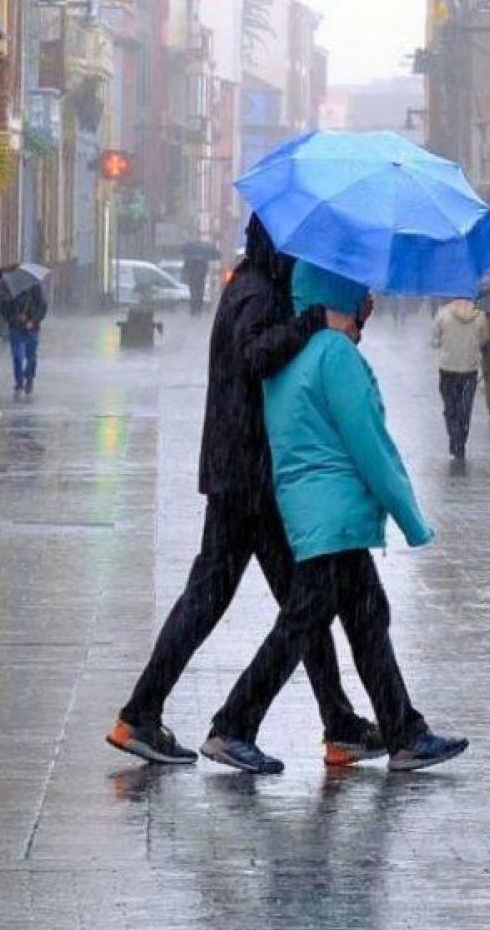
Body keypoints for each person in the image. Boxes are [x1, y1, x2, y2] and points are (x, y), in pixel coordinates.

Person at [108, 217, 382, 767]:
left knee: (279, 603)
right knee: (297, 604)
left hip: (244, 472)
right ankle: (261, 725)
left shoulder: (259, 286)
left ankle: (333, 722)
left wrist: (343, 322)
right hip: (250, 477)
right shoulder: (256, 292)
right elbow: (257, 357)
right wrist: (312, 322)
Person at [202, 261, 469, 775]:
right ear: (340, 297)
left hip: (311, 511)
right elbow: (371, 446)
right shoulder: (334, 356)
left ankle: (404, 732)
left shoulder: (296, 353)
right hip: (336, 517)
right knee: (301, 624)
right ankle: (233, 724)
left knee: (370, 620)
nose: (368, 304)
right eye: (361, 296)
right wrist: (412, 520)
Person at [431, 297, 487, 460]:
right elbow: (483, 339)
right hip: (470, 368)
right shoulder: (480, 316)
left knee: (450, 407)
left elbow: (435, 339)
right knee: (465, 407)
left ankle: (454, 436)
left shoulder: (443, 314)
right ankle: (461, 441)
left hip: (448, 367)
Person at [0, 282, 47, 400]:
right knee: (17, 357)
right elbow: (3, 307)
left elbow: (42, 307)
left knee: (31, 357)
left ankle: (29, 379)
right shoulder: (9, 289)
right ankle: (19, 383)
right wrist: (14, 318)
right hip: (15, 328)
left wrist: (33, 321)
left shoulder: (35, 287)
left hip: (32, 329)